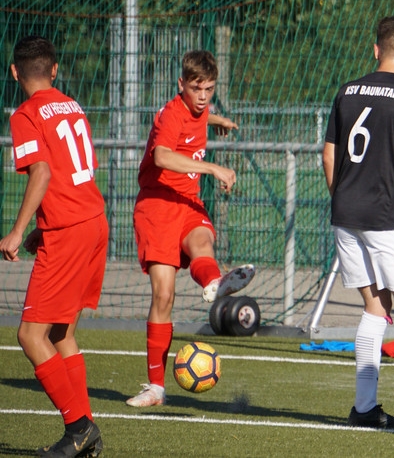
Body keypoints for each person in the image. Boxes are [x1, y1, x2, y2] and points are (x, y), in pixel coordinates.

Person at [322, 15, 394, 432]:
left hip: (346, 213)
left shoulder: (347, 91)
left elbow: (329, 154)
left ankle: (365, 407)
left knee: (375, 307)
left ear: (376, 50)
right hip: (386, 214)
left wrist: (343, 196)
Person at [126, 49, 255, 408]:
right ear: (181, 83)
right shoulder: (170, 113)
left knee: (203, 240)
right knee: (164, 296)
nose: (202, 97)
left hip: (187, 201)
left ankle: (214, 282)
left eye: (209, 89)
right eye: (196, 89)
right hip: (157, 206)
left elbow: (198, 116)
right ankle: (155, 388)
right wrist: (212, 168)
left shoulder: (199, 109)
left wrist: (217, 120)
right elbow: (162, 156)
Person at [0, 36, 108, 457]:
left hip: (69, 232)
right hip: (92, 222)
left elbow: (43, 173)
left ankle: (79, 428)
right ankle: (85, 431)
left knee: (30, 335)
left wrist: (16, 231)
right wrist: (42, 229)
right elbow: (72, 172)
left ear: (14, 72)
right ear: (55, 70)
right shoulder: (72, 105)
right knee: (61, 333)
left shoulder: (26, 114)